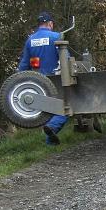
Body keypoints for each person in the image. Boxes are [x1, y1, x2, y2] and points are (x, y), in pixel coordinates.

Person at [18, 11, 68, 146]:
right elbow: (66, 60)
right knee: (65, 108)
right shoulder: (56, 37)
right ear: (50, 24)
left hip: (38, 83)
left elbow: (24, 65)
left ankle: (50, 143)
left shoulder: (30, 40)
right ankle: (52, 129)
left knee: (47, 110)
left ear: (39, 24)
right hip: (56, 81)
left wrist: (18, 83)